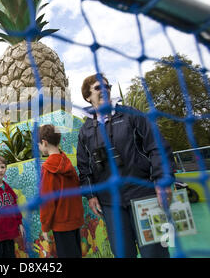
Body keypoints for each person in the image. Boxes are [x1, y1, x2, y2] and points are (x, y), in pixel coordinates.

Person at [76, 73, 175, 258]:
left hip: (143, 196)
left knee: (155, 252)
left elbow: (157, 147)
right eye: (98, 87)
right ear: (88, 96)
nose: (105, 90)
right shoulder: (85, 131)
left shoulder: (132, 116)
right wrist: (90, 195)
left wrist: (163, 181)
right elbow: (84, 167)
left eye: (108, 86)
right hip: (110, 203)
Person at [38, 124, 84, 258]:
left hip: (61, 224)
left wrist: (45, 226)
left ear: (44, 143)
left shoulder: (47, 168)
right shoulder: (67, 162)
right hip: (75, 220)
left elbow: (47, 200)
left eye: (39, 145)